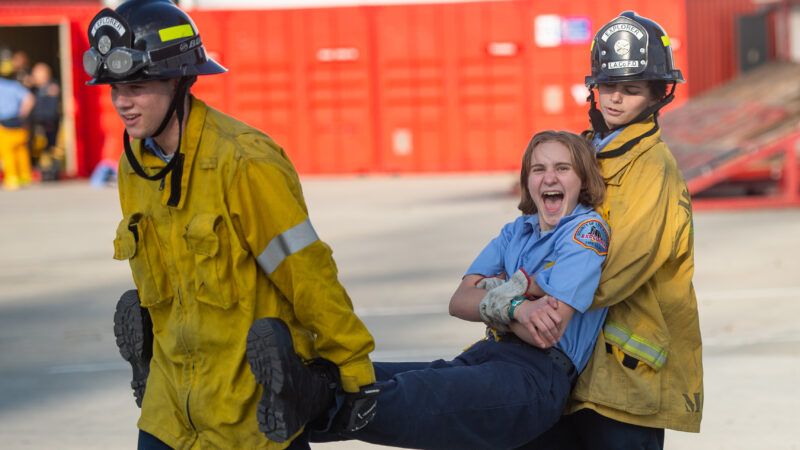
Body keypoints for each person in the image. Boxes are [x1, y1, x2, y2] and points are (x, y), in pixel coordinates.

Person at [83, 0, 377, 448]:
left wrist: (353, 365)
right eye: (113, 88)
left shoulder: (242, 160)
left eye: (138, 85)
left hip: (253, 415)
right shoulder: (134, 167)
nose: (122, 101)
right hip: (168, 412)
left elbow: (305, 270)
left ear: (181, 78)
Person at [256, 130, 610, 449]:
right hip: (487, 354)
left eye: (562, 168)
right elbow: (459, 302)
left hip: (534, 379)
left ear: (581, 179)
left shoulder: (586, 231)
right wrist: (518, 303)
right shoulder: (516, 231)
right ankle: (302, 383)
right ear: (528, 181)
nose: (549, 177)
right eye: (538, 169)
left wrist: (494, 294)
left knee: (419, 395)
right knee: (372, 375)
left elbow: (546, 331)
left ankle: (307, 395)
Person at [524, 11, 703, 450]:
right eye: (607, 86)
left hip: (625, 379)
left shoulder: (653, 168)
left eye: (631, 89)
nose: (616, 99)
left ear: (659, 94)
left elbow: (622, 266)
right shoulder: (585, 152)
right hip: (570, 365)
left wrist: (530, 290)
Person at [0, 51, 35, 191]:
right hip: (18, 122)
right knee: (22, 150)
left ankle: (12, 177)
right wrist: (22, 113)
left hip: (4, 122)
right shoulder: (15, 85)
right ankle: (25, 176)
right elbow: (30, 99)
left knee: (8, 152)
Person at [29, 62, 62, 181]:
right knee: (40, 149)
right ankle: (43, 171)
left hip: (48, 124)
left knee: (50, 149)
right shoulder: (37, 89)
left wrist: (47, 122)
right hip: (40, 123)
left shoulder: (51, 87)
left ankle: (51, 172)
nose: (34, 76)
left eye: (36, 73)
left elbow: (51, 109)